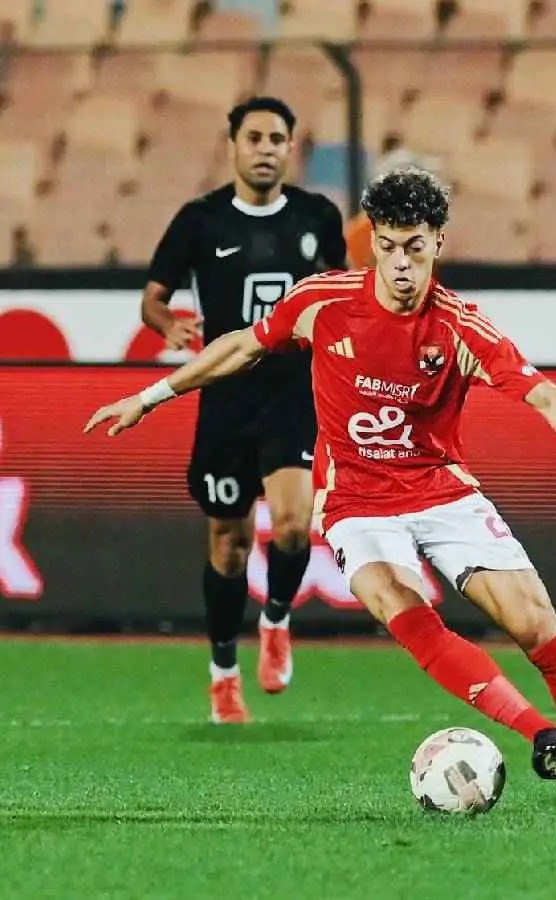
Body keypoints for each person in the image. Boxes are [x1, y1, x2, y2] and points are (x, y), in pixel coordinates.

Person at [90, 167, 556, 812]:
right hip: (357, 501)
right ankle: (539, 732)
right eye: (388, 246)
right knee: (393, 597)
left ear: (438, 244)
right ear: (370, 241)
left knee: (533, 621)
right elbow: (242, 346)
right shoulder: (323, 301)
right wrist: (150, 396)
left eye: (415, 247)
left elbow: (545, 395)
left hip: (442, 491)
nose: (400, 263)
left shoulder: (461, 326)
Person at [139, 96, 347, 724]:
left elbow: (341, 293)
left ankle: (277, 619)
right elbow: (153, 298)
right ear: (232, 145)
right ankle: (223, 673)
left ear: (290, 148)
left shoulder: (317, 217)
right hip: (226, 398)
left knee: (293, 525)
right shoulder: (200, 221)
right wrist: (168, 326)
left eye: (276, 139)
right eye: (254, 137)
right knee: (227, 546)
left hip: (292, 394)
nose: (265, 149)